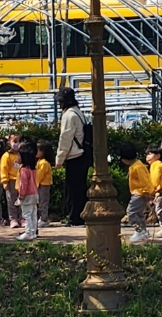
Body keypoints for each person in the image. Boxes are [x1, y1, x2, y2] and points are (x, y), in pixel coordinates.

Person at [54, 87, 90, 225]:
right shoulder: (79, 113)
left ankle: (74, 217)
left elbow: (65, 138)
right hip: (83, 154)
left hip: (74, 155)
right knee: (80, 188)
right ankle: (80, 215)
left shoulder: (69, 115)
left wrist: (59, 159)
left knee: (72, 190)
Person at [120, 142, 153, 244]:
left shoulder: (137, 167)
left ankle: (140, 231)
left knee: (131, 212)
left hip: (139, 193)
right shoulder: (136, 165)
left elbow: (144, 181)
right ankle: (142, 230)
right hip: (138, 193)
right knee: (138, 213)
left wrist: (146, 192)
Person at [15, 141, 40, 241]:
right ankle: (33, 232)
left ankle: (28, 232)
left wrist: (21, 195)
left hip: (27, 195)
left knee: (27, 214)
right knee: (33, 213)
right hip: (34, 193)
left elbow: (23, 184)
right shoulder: (32, 168)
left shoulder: (23, 169)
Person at [0, 132, 22, 228]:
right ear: (9, 143)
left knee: (22, 199)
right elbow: (3, 169)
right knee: (11, 200)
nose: (17, 143)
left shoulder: (22, 154)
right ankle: (13, 219)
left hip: (22, 180)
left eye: (19, 141)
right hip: (11, 181)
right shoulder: (6, 155)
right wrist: (5, 181)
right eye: (15, 141)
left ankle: (22, 218)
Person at [35, 141, 55, 226]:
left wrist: (35, 184)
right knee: (40, 202)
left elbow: (39, 175)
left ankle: (44, 219)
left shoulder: (44, 163)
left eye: (38, 150)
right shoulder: (40, 161)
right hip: (42, 184)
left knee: (43, 202)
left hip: (44, 185)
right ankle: (42, 218)